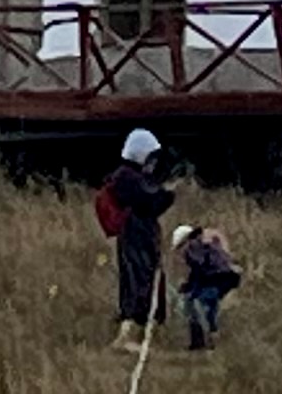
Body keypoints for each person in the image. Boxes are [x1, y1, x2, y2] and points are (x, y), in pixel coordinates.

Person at [96, 129, 177, 350]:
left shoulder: (127, 176)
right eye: (151, 158)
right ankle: (129, 335)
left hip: (137, 235)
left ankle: (140, 332)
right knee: (139, 280)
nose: (153, 164)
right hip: (136, 236)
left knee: (141, 279)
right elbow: (150, 201)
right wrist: (168, 194)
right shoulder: (128, 178)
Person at [174, 217, 246, 353]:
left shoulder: (192, 247)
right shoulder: (207, 243)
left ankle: (203, 342)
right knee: (209, 304)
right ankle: (209, 338)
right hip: (228, 277)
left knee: (199, 304)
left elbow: (200, 270)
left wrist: (190, 287)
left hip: (216, 278)